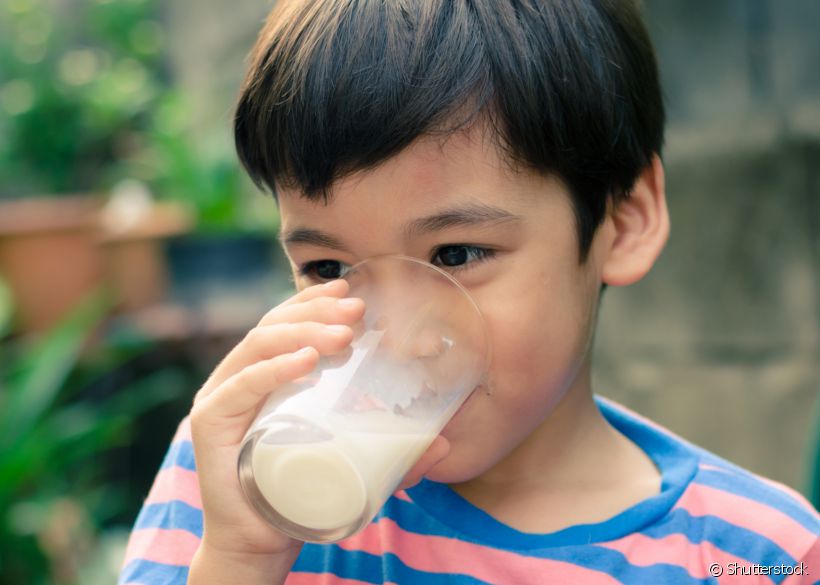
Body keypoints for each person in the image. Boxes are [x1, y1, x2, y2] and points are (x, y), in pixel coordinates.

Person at [118, 1, 820, 583]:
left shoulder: (753, 554)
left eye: (455, 254)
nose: (395, 334)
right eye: (329, 268)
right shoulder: (234, 480)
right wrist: (238, 560)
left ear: (623, 219)